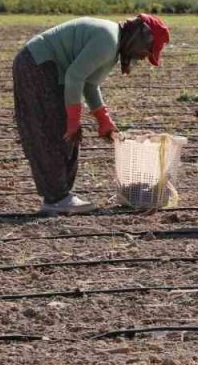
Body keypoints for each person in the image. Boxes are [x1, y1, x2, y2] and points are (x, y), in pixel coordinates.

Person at [12, 14, 170, 215]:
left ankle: (60, 196)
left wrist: (104, 120)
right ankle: (56, 198)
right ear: (139, 38)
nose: (142, 57)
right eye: (146, 50)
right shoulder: (108, 40)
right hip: (38, 64)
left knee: (62, 131)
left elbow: (90, 84)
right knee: (54, 131)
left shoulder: (111, 44)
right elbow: (75, 76)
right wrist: (72, 121)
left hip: (43, 65)